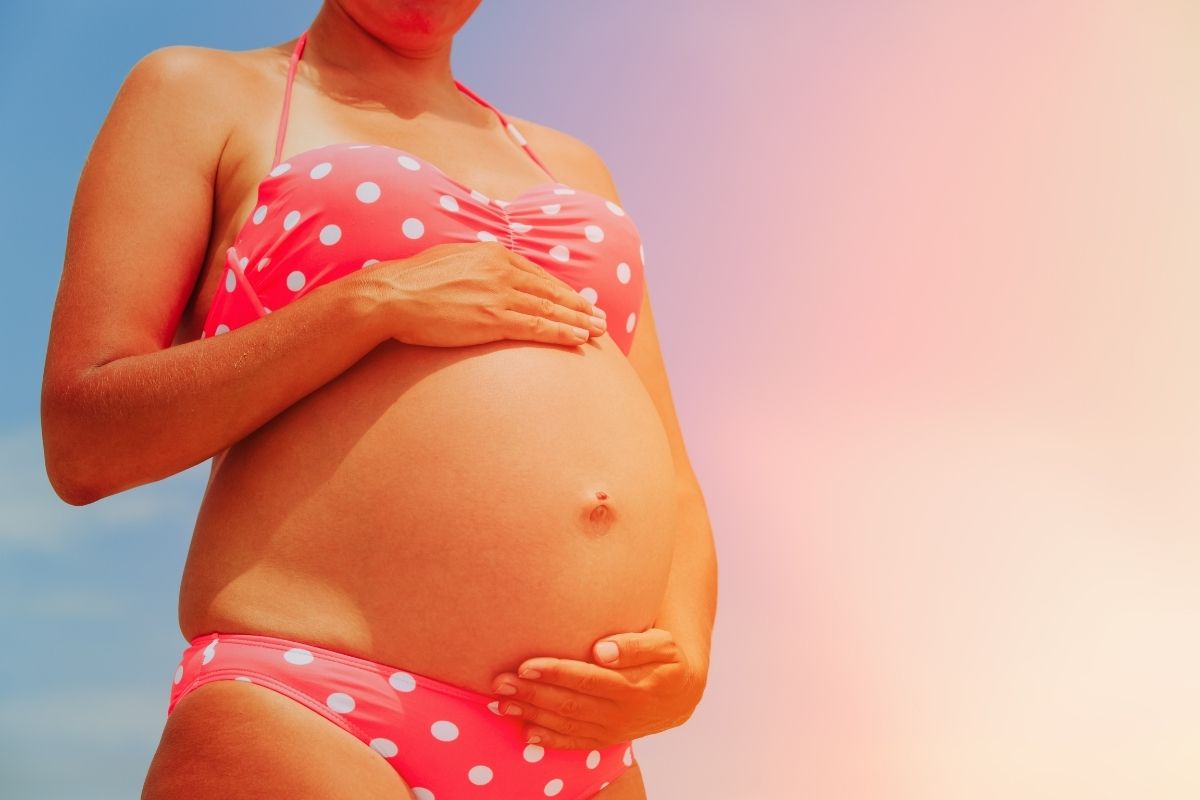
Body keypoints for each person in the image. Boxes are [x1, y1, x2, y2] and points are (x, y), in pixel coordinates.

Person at [40, 2, 717, 798]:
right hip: (314, 710)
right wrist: (370, 302)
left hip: (583, 746)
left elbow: (671, 472)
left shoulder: (573, 163)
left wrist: (686, 659)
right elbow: (85, 442)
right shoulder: (199, 91)